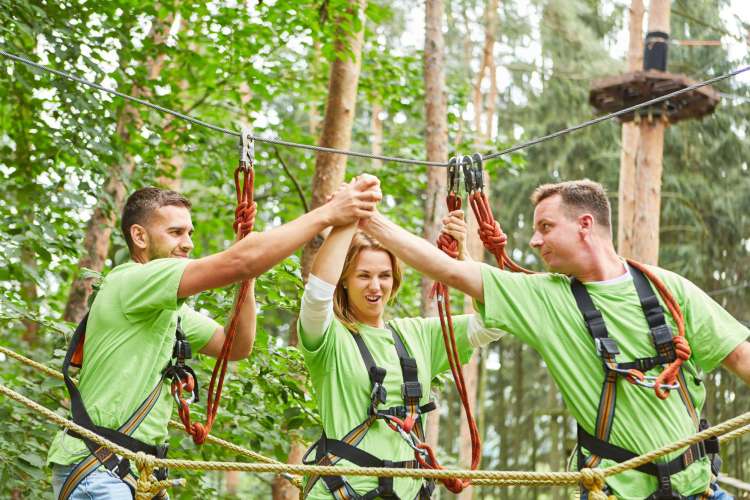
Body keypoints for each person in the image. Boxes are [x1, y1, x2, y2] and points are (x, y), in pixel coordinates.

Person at [360, 179, 750, 499]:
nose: (533, 240)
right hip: (614, 491)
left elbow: (740, 359)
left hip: (699, 489)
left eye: (545, 227)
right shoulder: (546, 298)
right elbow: (447, 270)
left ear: (584, 224)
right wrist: (369, 219)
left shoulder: (667, 289)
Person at [48, 177, 382, 500]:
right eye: (175, 232)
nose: (188, 243)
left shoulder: (168, 313)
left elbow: (235, 345)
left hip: (131, 471)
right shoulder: (132, 281)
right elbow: (241, 260)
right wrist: (328, 213)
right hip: (98, 469)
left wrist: (246, 279)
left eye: (189, 233)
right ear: (139, 236)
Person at [297, 206, 505, 499]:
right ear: (344, 280)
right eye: (363, 275)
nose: (375, 286)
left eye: (384, 275)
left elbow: (498, 321)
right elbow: (317, 296)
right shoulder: (329, 338)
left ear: (394, 279)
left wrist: (463, 264)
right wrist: (345, 217)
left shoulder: (418, 335)